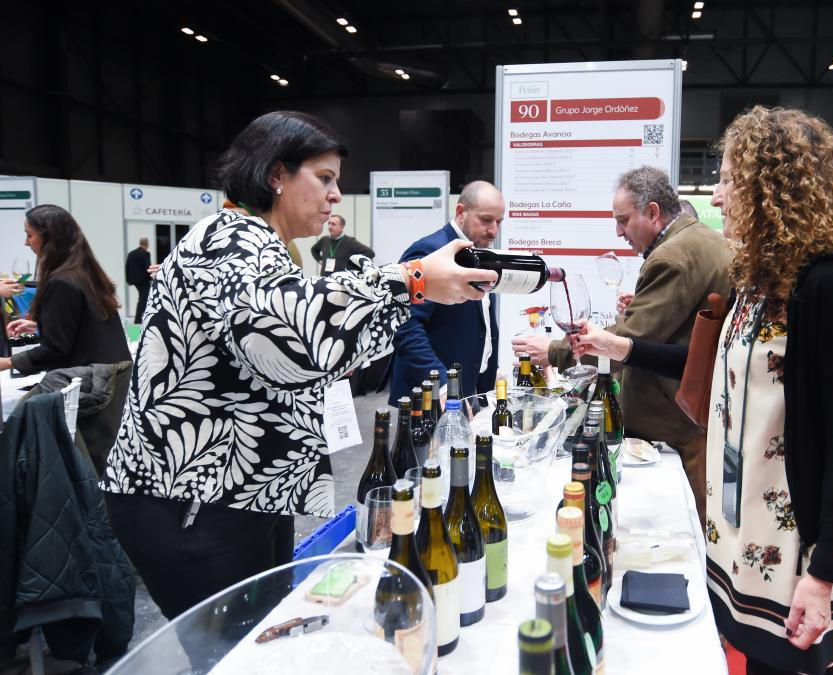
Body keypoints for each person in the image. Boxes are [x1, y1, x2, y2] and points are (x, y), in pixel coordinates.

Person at [101, 110, 496, 621]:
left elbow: (314, 352)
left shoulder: (265, 245)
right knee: (234, 647)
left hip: (243, 491)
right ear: (276, 175)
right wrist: (410, 280)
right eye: (325, 178)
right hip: (193, 499)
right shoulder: (228, 240)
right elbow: (291, 336)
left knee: (262, 631)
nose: (336, 195)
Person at [572, 106, 833, 675]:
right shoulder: (755, 281)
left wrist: (823, 572)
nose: (717, 195)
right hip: (738, 531)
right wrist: (622, 347)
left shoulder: (829, 284)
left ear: (771, 189)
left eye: (730, 180)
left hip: (792, 547)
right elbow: (706, 366)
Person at [511, 167, 732, 524]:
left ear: (653, 212)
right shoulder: (704, 239)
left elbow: (631, 342)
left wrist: (552, 351)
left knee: (673, 527)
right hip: (694, 423)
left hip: (671, 431)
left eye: (623, 220)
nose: (618, 232)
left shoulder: (671, 257)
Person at [388, 180, 504, 403]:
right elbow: (405, 324)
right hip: (430, 398)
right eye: (486, 220)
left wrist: (490, 371)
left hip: (467, 389)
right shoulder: (430, 251)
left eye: (499, 221)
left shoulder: (480, 252)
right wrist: (442, 386)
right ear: (461, 212)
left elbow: (482, 323)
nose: (494, 231)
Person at [0, 205, 130, 375]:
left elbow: (55, 350)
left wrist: (7, 362)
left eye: (29, 235)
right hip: (109, 377)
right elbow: (88, 323)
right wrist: (42, 325)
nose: (26, 242)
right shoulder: (86, 273)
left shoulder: (61, 282)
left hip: (88, 381)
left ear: (49, 237)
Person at [125, 236, 152, 324]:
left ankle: (139, 318)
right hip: (143, 281)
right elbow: (148, 267)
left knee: (142, 298)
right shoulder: (146, 254)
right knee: (144, 299)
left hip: (134, 280)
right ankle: (138, 318)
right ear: (147, 244)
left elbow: (127, 267)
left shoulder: (131, 253)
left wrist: (128, 280)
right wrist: (151, 278)